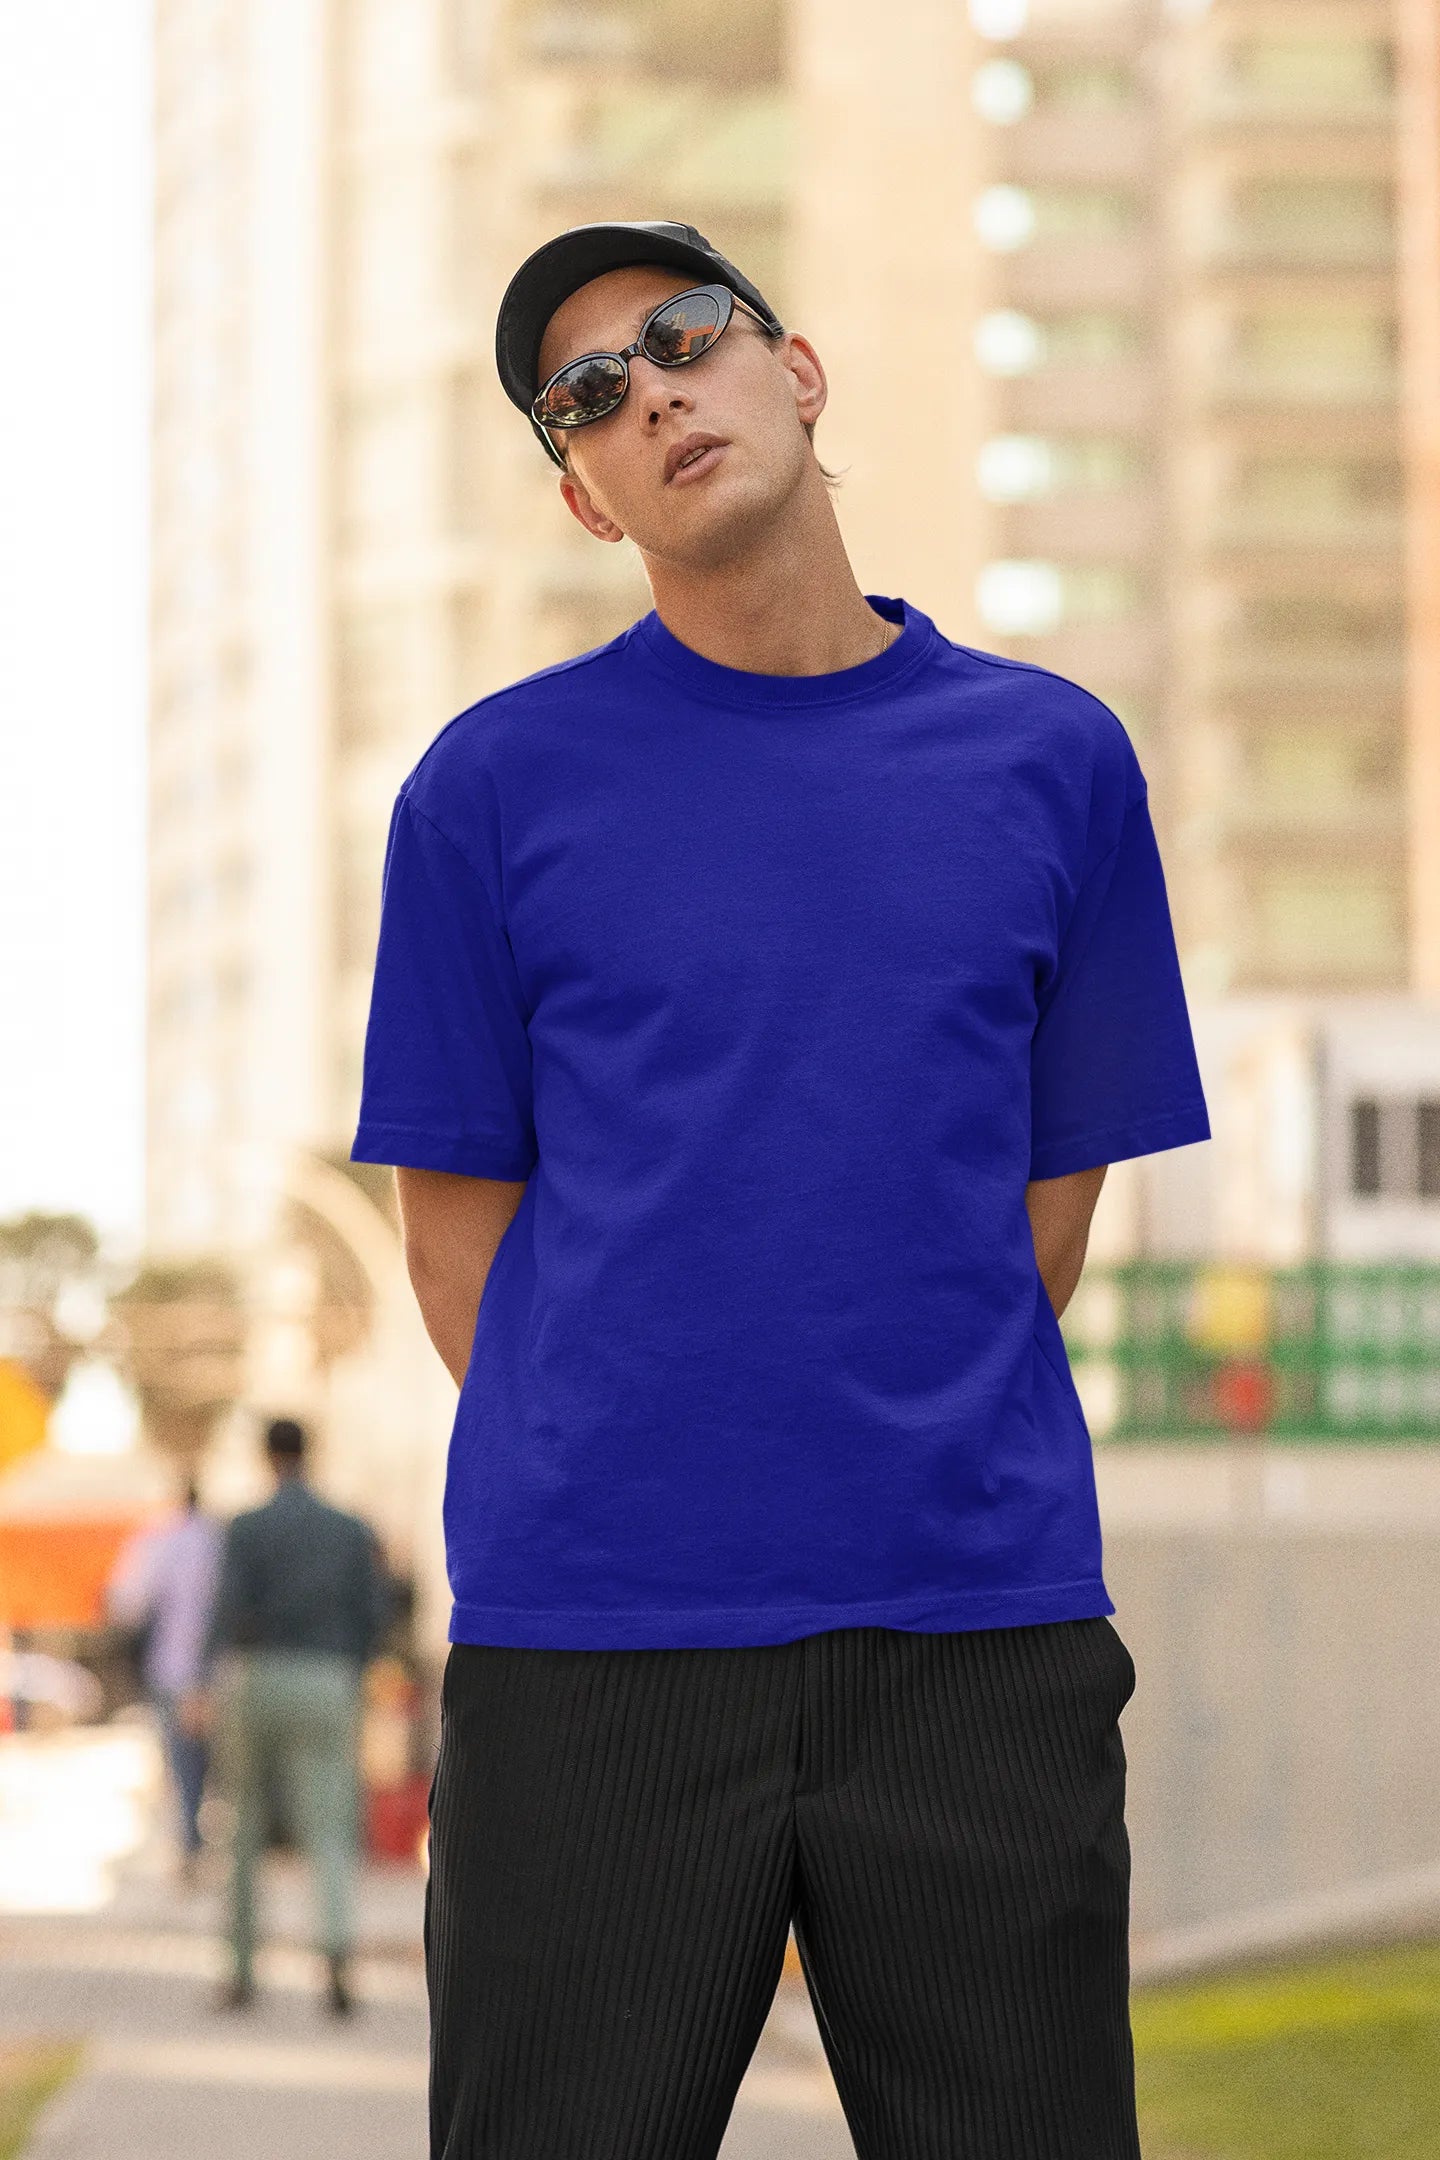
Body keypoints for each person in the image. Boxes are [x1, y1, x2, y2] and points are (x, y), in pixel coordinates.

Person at [350, 218, 1213, 2158]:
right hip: (597, 1658)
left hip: (974, 1634)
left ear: (797, 370)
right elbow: (455, 1237)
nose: (650, 389)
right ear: (584, 495)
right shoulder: (489, 791)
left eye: (683, 339)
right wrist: (646, 1463)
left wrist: (876, 1426)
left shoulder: (1054, 761)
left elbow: (1048, 1207)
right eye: (586, 395)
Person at [182, 1416, 395, 2017]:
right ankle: (334, 1960)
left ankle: (243, 1972)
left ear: (264, 1456)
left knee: (244, 1824)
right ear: (310, 1452)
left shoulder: (245, 1529)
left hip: (257, 1676)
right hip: (329, 1679)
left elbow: (224, 1609)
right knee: (329, 1826)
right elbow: (375, 1612)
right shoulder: (349, 1529)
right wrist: (355, 1669)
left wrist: (201, 1683)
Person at [105, 1476, 224, 1886]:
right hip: (222, 1670)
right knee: (213, 1764)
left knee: (182, 1762)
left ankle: (192, 1844)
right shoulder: (219, 1540)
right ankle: (202, 1841)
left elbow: (127, 1602)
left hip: (174, 1668)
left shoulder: (159, 1542)